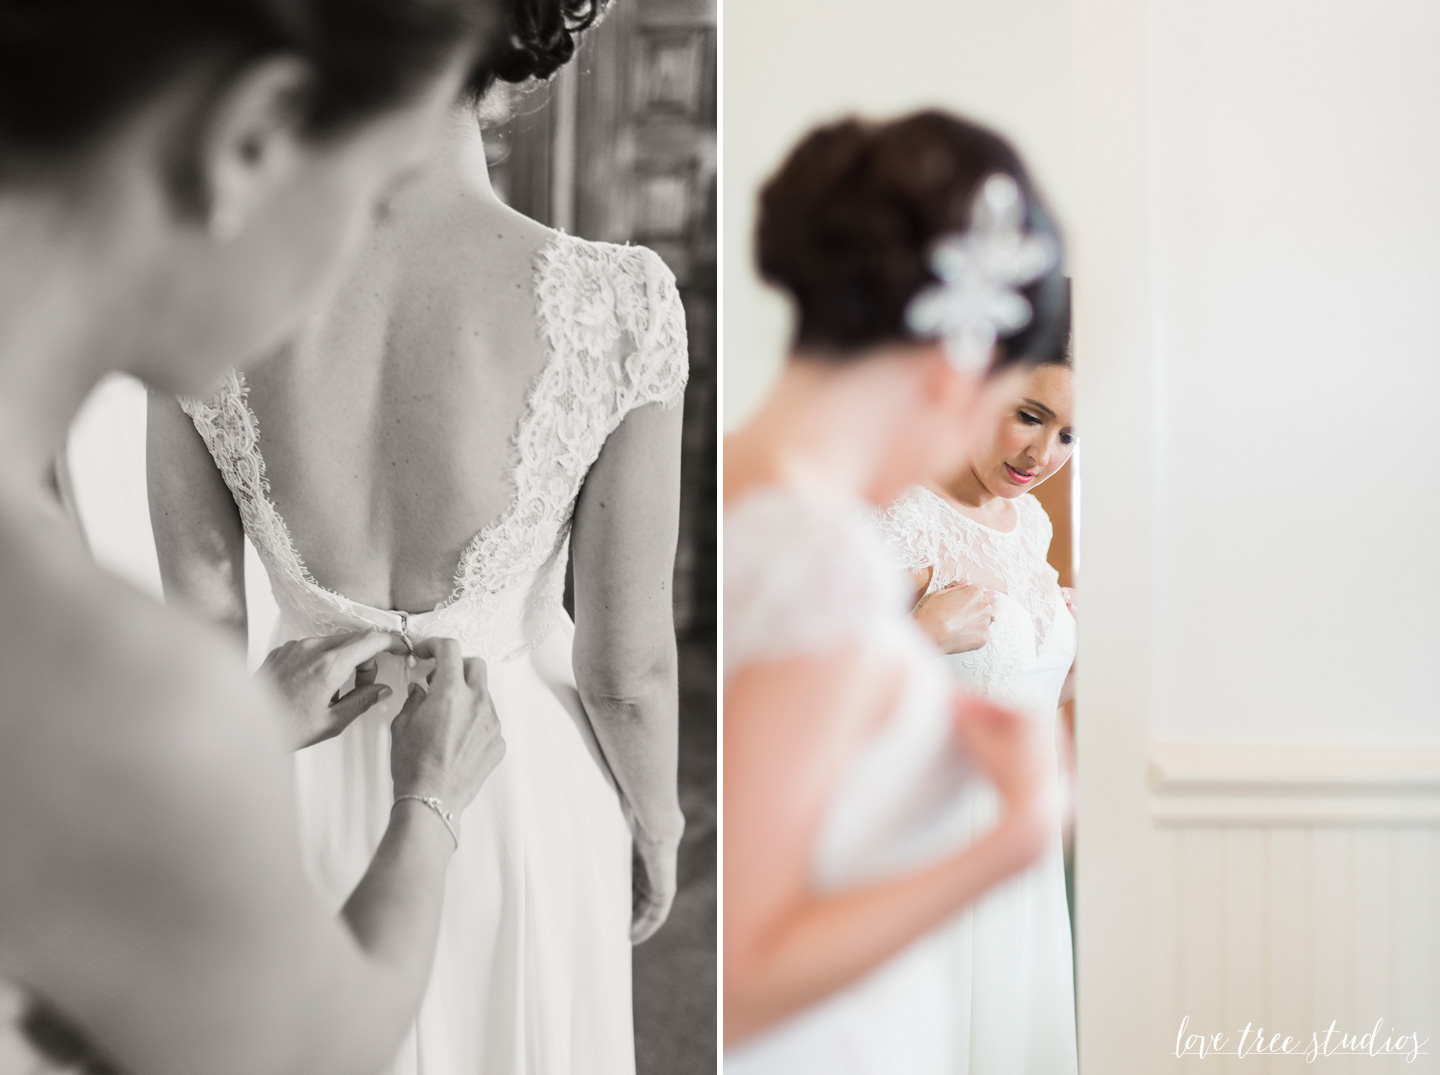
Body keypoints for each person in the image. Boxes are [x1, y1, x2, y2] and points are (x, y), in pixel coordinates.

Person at [144, 1, 688, 1069]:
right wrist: (658, 824)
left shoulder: (203, 289)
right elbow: (630, 669)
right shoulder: (621, 303)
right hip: (509, 779)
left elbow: (201, 627)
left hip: (291, 781)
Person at [0, 2, 516, 1072]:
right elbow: (315, 1052)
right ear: (253, 139)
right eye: (376, 199)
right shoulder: (112, 686)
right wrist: (429, 805)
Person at [722, 111, 1069, 1073]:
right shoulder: (821, 556)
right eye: (1017, 404)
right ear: (965, 364)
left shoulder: (741, 485)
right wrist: (1014, 839)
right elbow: (742, 977)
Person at [877, 323, 1078, 1074]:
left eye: (1067, 435)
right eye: (1028, 415)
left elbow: (1021, 690)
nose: (1041, 456)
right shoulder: (897, 517)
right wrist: (915, 638)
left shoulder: (1030, 522)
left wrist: (1071, 647)